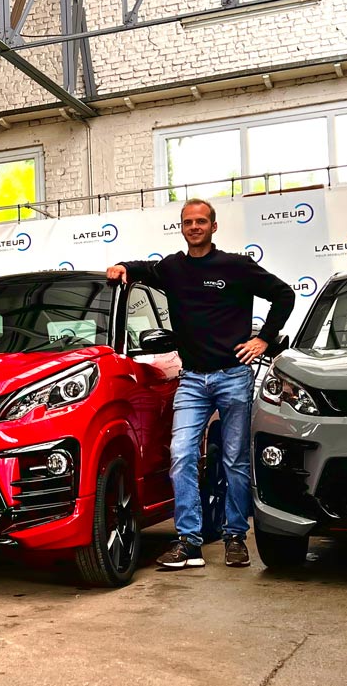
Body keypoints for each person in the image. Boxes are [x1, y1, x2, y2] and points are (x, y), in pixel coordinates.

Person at [107, 198, 295, 570]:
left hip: (233, 377)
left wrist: (264, 340)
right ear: (182, 227)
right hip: (192, 379)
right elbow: (142, 269)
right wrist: (122, 267)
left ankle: (235, 537)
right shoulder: (173, 268)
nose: (194, 227)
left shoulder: (235, 266)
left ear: (213, 226)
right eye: (188, 222)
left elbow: (284, 295)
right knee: (181, 456)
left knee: (235, 461)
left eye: (201, 221)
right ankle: (189, 542)